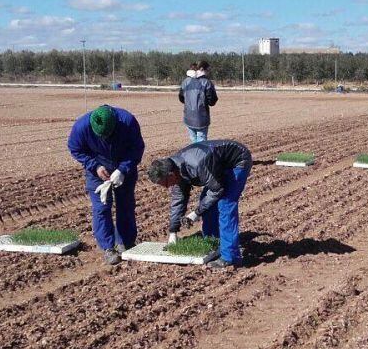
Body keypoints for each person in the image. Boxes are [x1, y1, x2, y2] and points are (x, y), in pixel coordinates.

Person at [147, 140, 251, 270]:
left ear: (171, 174)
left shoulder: (198, 164)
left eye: (165, 183)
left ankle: (230, 258)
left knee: (225, 204)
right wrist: (173, 231)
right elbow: (179, 200)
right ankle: (213, 241)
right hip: (216, 165)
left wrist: (196, 213)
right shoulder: (175, 169)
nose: (166, 187)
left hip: (237, 161)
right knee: (206, 201)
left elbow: (217, 190)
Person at [67, 104, 145, 264]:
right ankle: (108, 248)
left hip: (124, 165)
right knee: (101, 207)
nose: (105, 139)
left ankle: (126, 243)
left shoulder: (127, 121)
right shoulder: (81, 127)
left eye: (108, 135)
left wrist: (123, 169)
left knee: (126, 205)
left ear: (115, 123)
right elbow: (75, 149)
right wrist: (94, 166)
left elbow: (137, 148)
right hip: (97, 168)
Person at [179, 60, 218, 143]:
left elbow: (181, 98)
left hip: (188, 117)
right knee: (202, 144)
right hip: (201, 119)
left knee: (193, 142)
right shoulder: (206, 82)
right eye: (208, 70)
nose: (208, 72)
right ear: (202, 69)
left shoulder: (185, 82)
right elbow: (212, 101)